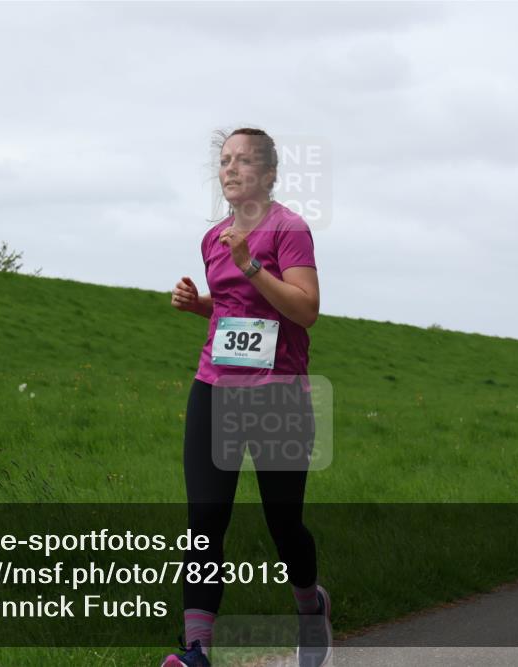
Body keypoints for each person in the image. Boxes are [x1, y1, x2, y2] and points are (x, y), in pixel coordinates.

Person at [161, 128, 331, 667]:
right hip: (215, 389)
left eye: (243, 161)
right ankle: (196, 651)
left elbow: (304, 310)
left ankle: (310, 606)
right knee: (205, 518)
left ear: (270, 174)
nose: (229, 170)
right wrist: (199, 307)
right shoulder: (214, 238)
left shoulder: (290, 229)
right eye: (225, 161)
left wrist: (252, 263)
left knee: (284, 522)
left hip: (278, 396)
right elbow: (237, 312)